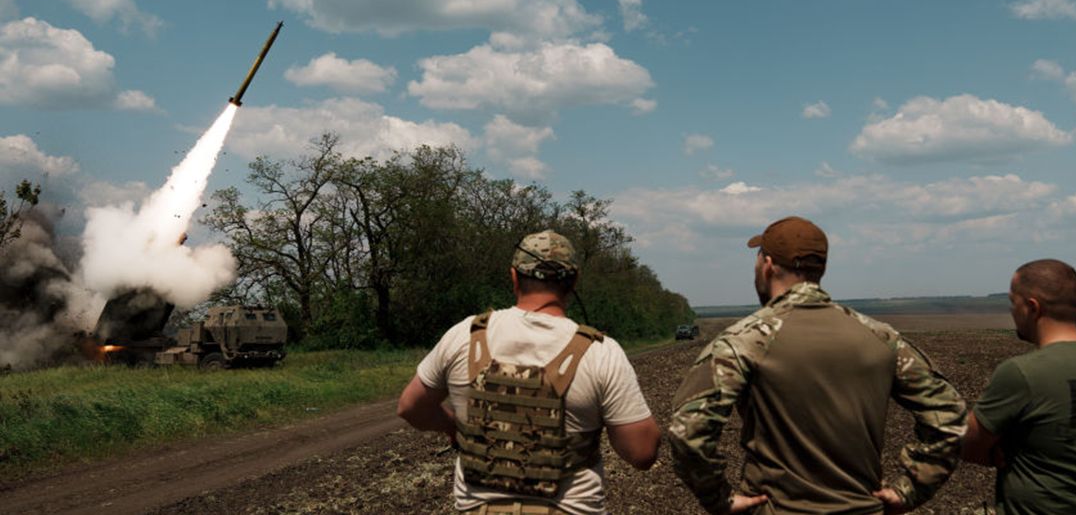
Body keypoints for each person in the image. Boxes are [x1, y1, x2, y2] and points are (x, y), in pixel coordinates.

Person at [668, 216, 966, 514]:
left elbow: (688, 431)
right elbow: (949, 414)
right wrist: (909, 491)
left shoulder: (744, 340)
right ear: (820, 269)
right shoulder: (881, 337)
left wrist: (719, 498)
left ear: (767, 265)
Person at [397, 229, 660, 515]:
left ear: (514, 277)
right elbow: (642, 452)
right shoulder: (601, 352)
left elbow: (411, 406)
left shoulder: (465, 334)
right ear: (574, 281)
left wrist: (455, 428)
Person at [961, 259, 1076, 514]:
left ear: (1032, 307)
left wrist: (1001, 446)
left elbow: (967, 444)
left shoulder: (1021, 373)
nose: (1012, 312)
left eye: (1013, 302)